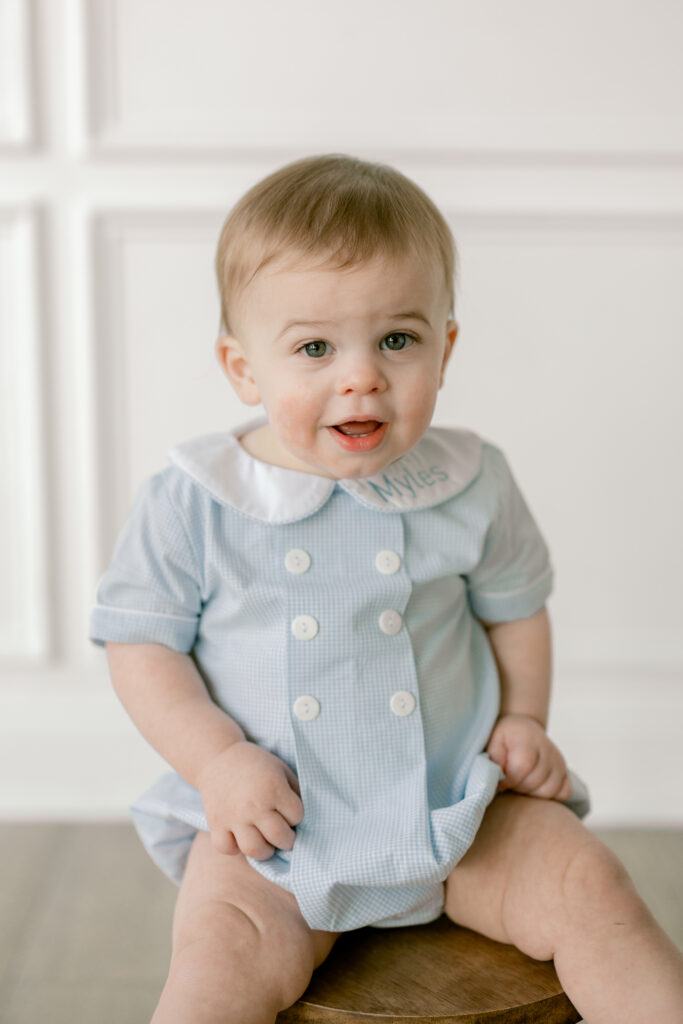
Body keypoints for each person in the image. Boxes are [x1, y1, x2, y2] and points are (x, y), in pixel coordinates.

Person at [90, 155, 683, 1024]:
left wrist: (524, 720)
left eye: (397, 340)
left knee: (590, 887)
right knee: (222, 953)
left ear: (445, 348)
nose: (361, 375)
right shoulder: (198, 501)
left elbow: (514, 611)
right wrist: (216, 761)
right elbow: (142, 647)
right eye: (314, 348)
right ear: (243, 368)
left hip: (462, 811)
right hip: (279, 833)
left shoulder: (470, 481)